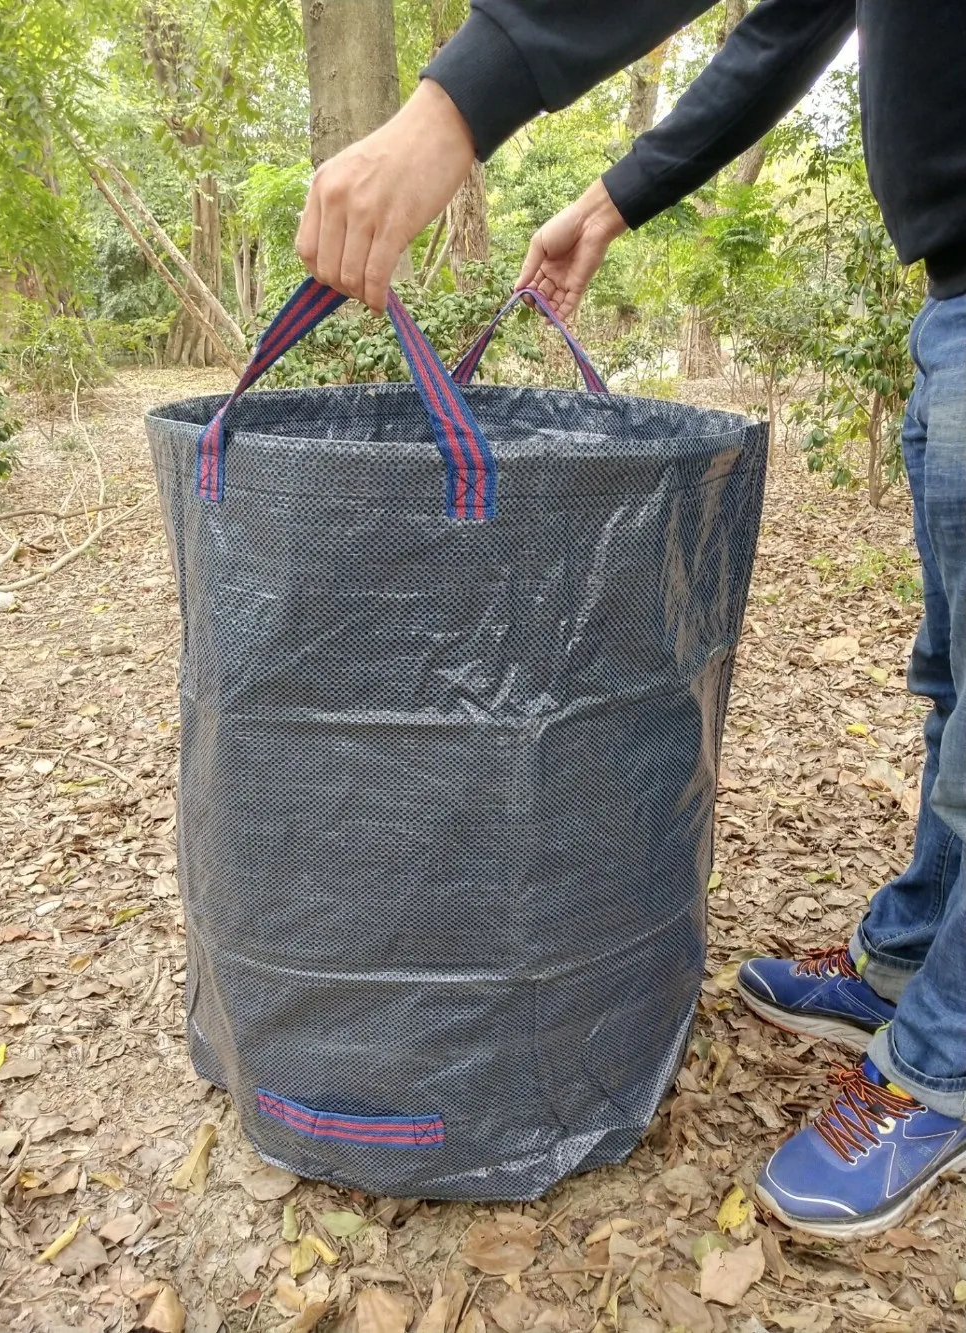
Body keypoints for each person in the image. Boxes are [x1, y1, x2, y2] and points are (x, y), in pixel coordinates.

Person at [296, 0, 966, 1238]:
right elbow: (790, 26)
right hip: (951, 307)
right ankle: (908, 960)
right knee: (950, 686)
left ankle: (942, 1060)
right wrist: (608, 201)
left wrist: (455, 106)